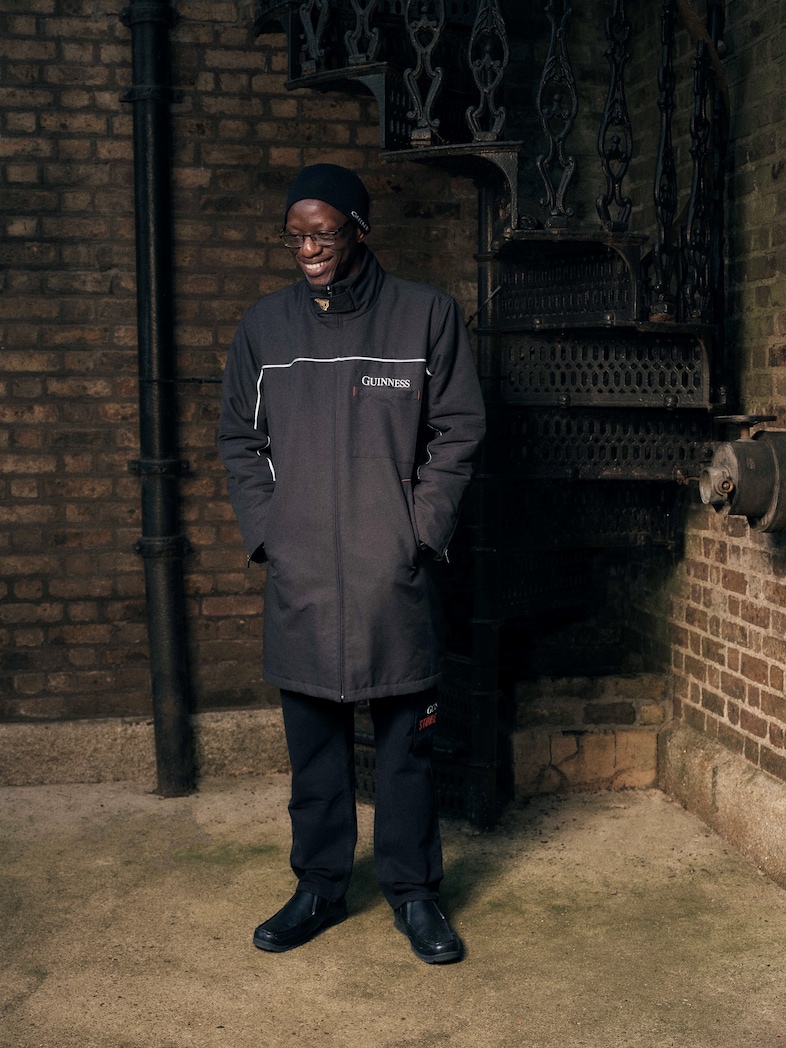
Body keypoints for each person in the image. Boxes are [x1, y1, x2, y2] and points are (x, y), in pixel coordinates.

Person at [217, 163, 485, 964]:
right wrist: (273, 535)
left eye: (324, 233)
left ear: (361, 229)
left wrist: (417, 530)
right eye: (295, 235)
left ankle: (414, 895)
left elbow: (459, 432)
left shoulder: (425, 315)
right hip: (301, 579)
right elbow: (240, 440)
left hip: (389, 578)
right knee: (314, 753)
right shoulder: (264, 329)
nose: (308, 248)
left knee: (405, 753)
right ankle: (319, 888)